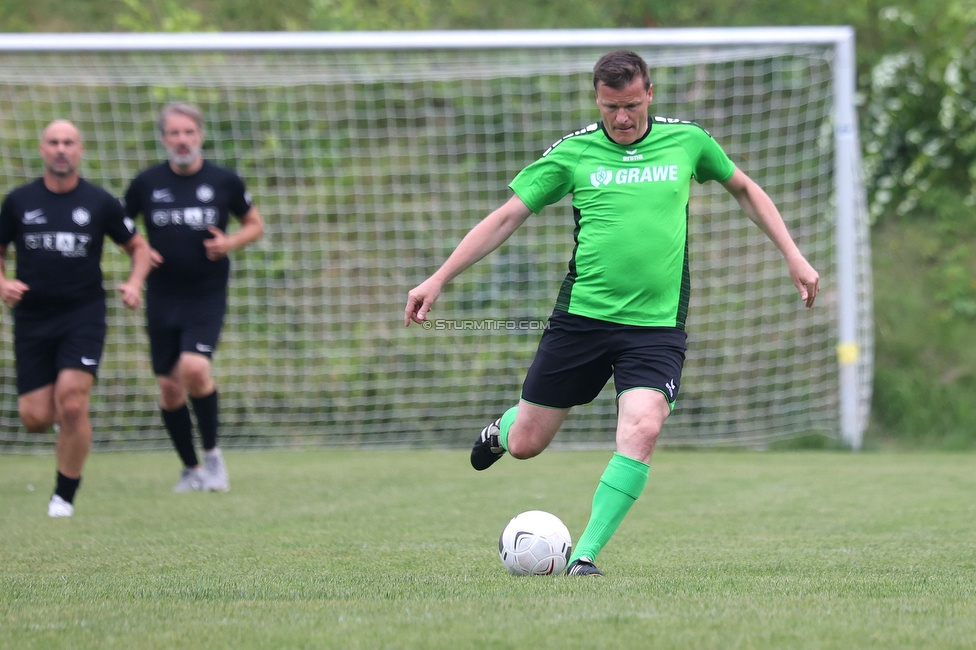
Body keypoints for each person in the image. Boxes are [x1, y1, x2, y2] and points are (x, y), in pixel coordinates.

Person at [404, 50, 820, 576]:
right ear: (596, 100)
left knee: (642, 429)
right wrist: (438, 278)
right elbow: (507, 216)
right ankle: (503, 429)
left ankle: (584, 557)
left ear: (649, 93)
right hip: (582, 320)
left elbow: (744, 188)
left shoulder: (688, 142)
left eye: (629, 105)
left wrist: (794, 254)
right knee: (529, 443)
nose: (621, 118)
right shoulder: (575, 153)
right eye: (609, 107)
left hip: (656, 327)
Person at [0, 119, 152, 518]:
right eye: (53, 142)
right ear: (42, 149)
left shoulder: (100, 202)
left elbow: (139, 249)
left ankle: (63, 497)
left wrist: (135, 283)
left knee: (71, 404)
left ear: (80, 149)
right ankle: (63, 430)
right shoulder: (19, 201)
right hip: (32, 318)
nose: (61, 149)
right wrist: (2, 282)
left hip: (82, 315)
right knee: (35, 418)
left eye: (68, 142)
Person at [123, 102, 264, 493]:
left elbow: (254, 224)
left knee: (195, 369)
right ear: (164, 138)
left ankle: (214, 457)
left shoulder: (223, 181)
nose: (182, 140)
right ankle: (190, 469)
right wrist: (138, 251)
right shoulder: (146, 183)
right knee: (169, 387)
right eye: (174, 133)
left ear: (199, 135)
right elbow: (121, 226)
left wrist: (231, 241)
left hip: (206, 292)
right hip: (162, 294)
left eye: (188, 132)